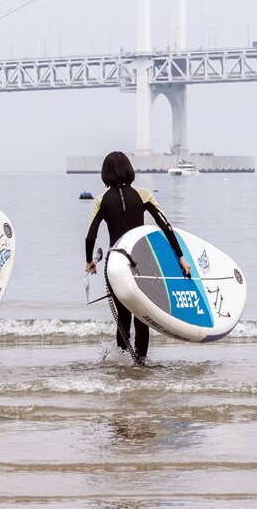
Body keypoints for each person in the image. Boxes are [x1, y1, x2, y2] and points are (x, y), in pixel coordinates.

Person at [84, 151, 191, 359]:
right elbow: (166, 226)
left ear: (105, 174)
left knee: (123, 319)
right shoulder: (143, 194)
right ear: (129, 170)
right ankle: (140, 363)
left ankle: (123, 364)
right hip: (140, 263)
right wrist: (181, 257)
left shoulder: (101, 200)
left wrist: (89, 261)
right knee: (143, 317)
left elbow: (90, 236)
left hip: (115, 264)